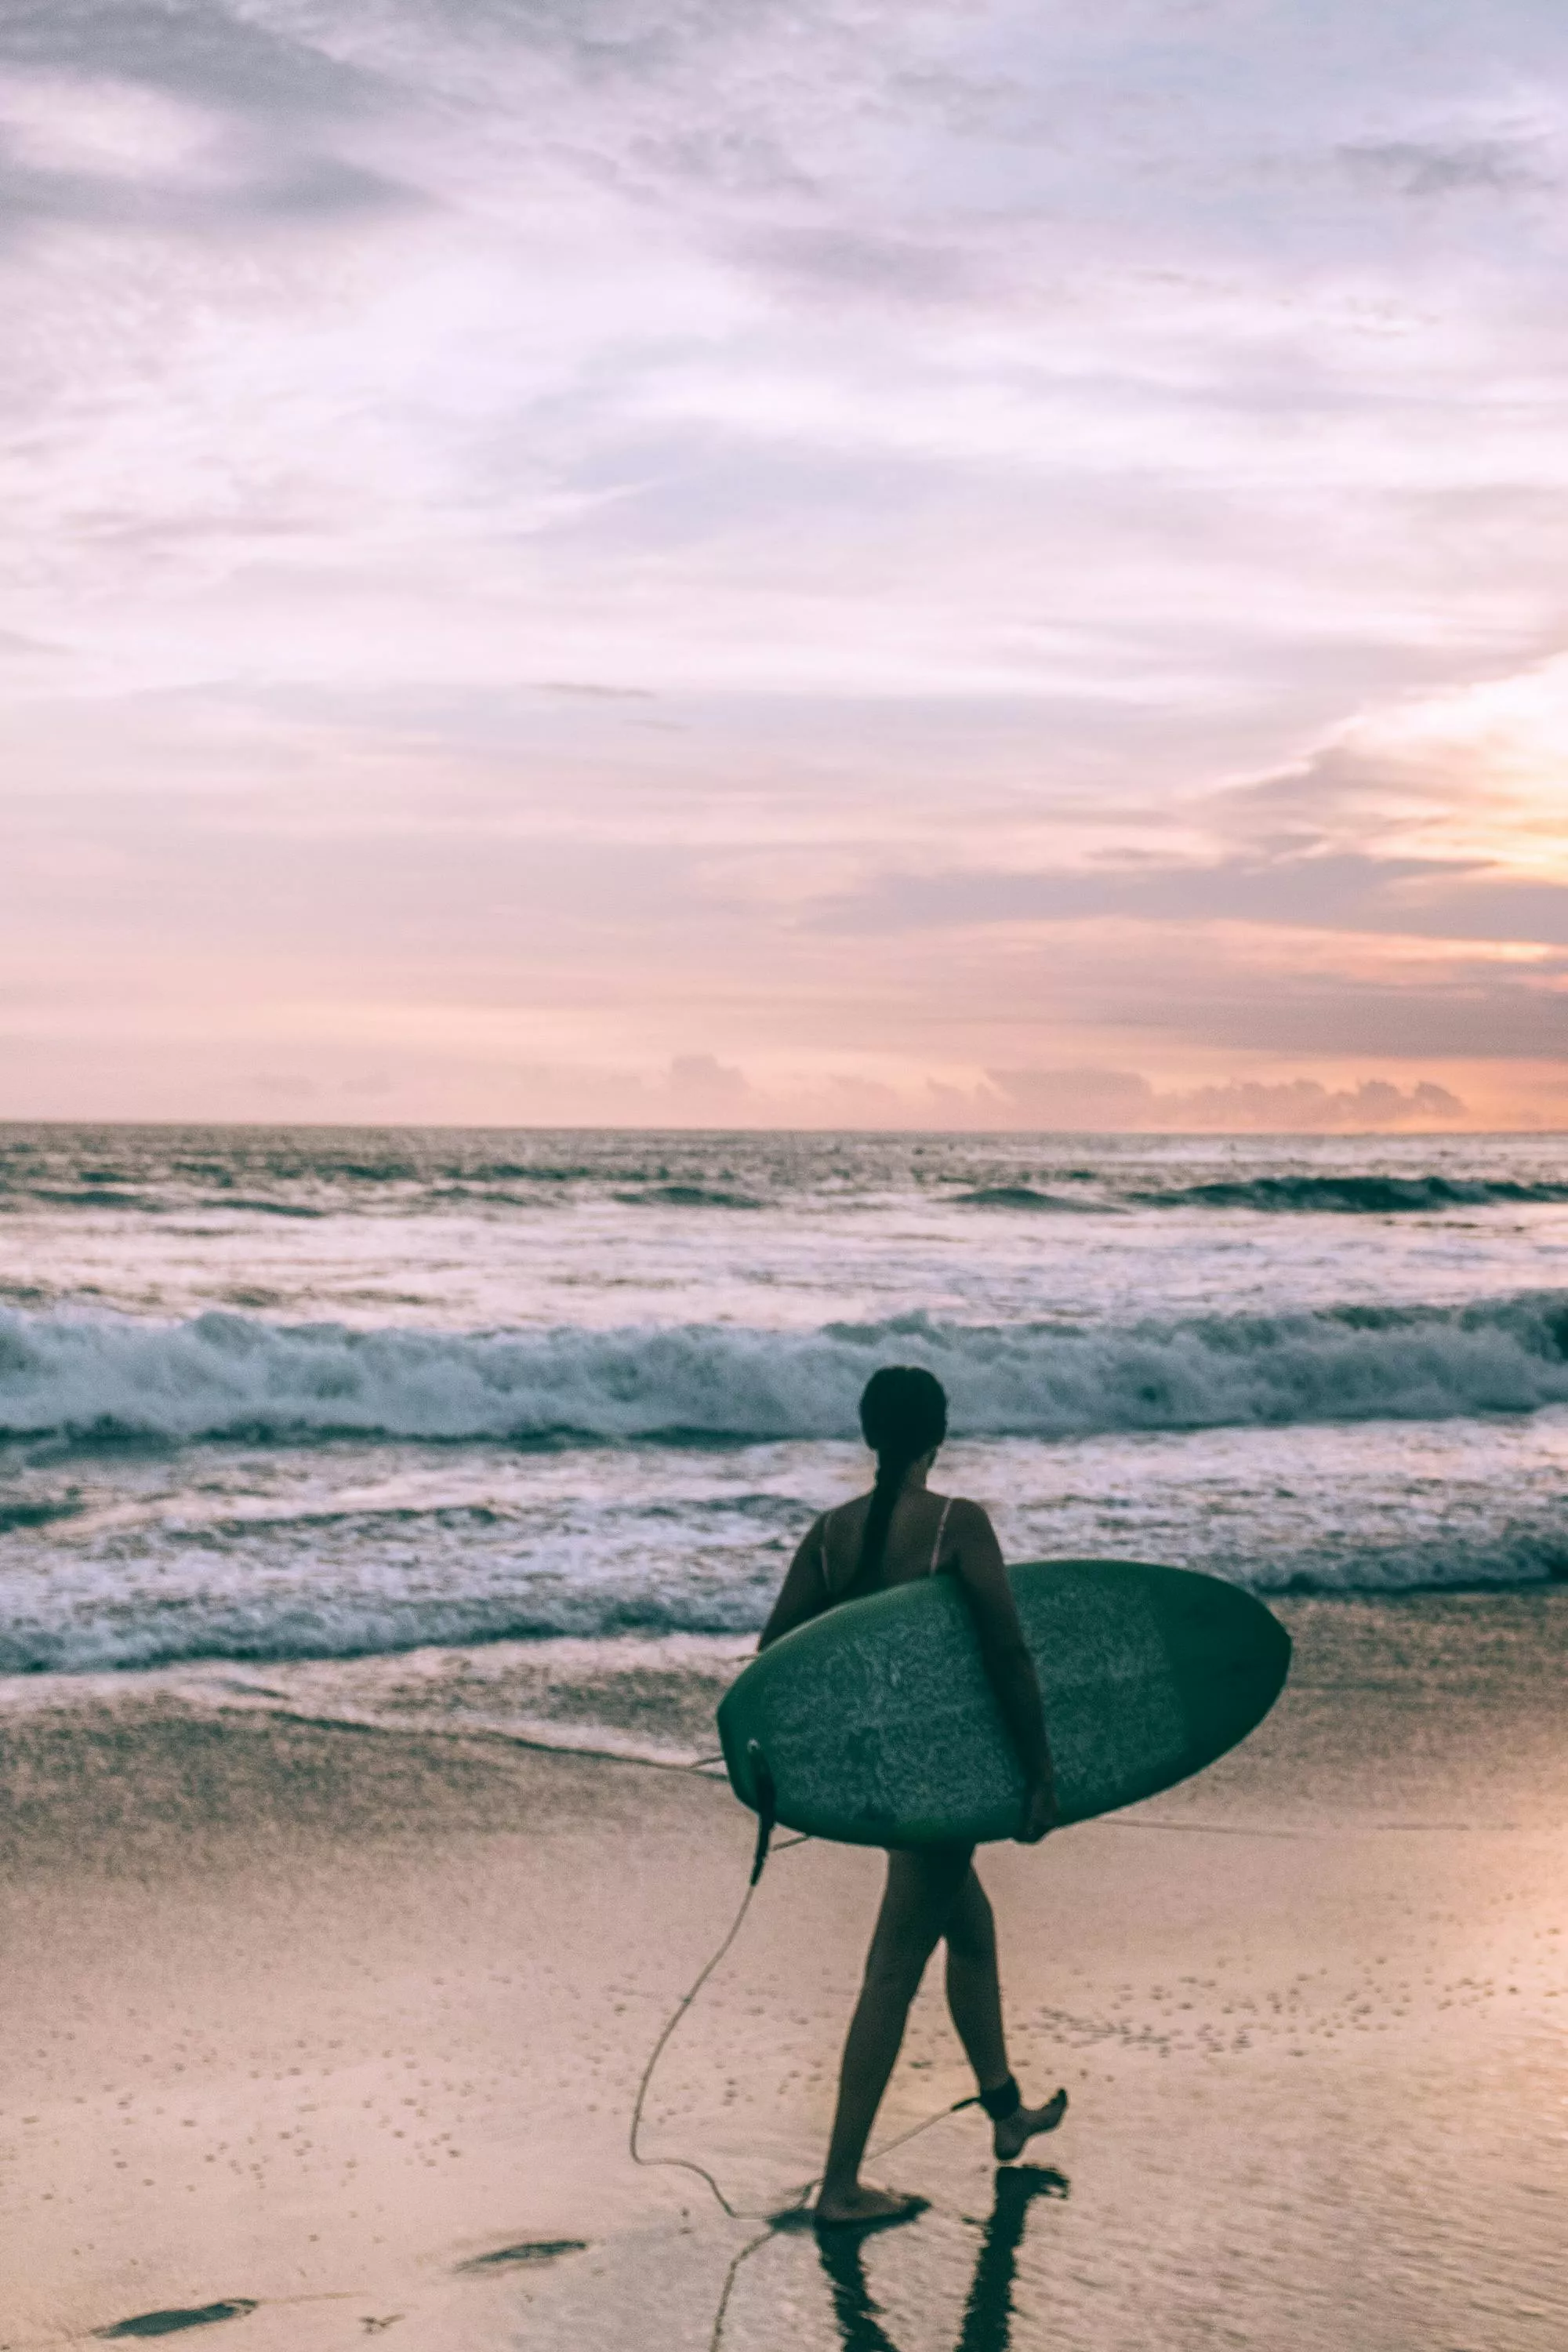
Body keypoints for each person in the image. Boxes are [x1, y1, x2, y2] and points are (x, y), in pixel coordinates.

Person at [758, 1364, 1068, 2230]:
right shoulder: (954, 1526)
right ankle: (841, 2185)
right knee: (891, 1974)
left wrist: (826, 1761)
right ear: (938, 1435)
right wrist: (1038, 1774)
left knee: (968, 1932)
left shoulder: (829, 1536)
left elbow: (773, 1660)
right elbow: (1008, 1658)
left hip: (881, 1777)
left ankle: (1004, 2112)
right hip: (943, 1776)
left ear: (867, 1434)